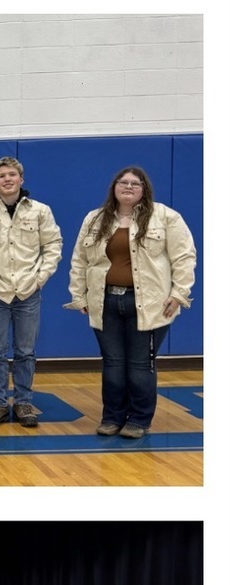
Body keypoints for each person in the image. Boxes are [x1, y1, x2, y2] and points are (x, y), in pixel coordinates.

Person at [67, 166, 196, 438]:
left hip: (150, 304)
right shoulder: (95, 218)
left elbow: (184, 257)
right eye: (123, 182)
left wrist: (178, 294)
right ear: (114, 187)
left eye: (135, 183)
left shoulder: (165, 217)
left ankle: (139, 419)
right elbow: (80, 259)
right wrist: (78, 295)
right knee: (112, 364)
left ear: (144, 189)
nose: (128, 187)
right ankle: (112, 417)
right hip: (105, 301)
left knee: (140, 365)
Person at [0, 156, 62, 428]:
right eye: (2, 176)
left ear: (21, 179)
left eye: (12, 175)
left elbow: (53, 245)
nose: (7, 179)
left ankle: (23, 403)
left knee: (25, 352)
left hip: (28, 292)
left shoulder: (40, 211)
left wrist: (40, 279)